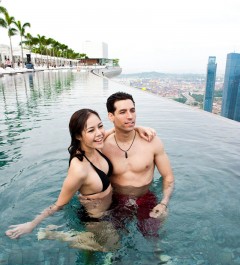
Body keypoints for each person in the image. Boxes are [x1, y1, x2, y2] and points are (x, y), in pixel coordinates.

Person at [5, 108, 155, 248]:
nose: (99, 133)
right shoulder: (79, 169)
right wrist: (32, 224)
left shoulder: (96, 145)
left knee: (128, 232)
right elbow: (59, 204)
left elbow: (112, 131)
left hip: (111, 207)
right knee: (113, 247)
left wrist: (137, 128)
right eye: (91, 130)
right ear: (78, 136)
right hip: (95, 218)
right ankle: (55, 235)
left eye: (100, 126)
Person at [102, 92, 174, 237]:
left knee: (152, 237)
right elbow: (83, 146)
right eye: (122, 112)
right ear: (111, 116)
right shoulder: (103, 146)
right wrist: (132, 128)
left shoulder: (152, 142)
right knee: (112, 240)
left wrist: (164, 202)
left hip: (146, 197)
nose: (130, 116)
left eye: (132, 110)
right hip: (116, 200)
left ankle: (161, 256)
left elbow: (168, 177)